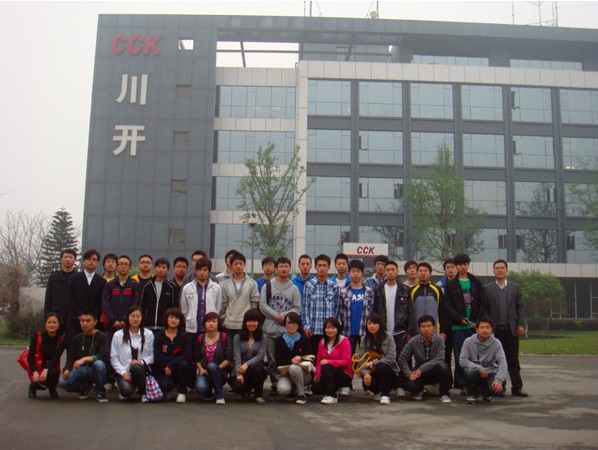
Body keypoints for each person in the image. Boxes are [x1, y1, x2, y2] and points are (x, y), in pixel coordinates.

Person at [443, 253, 488, 394]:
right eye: (459, 265)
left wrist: (478, 321)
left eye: (464, 264)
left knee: (475, 356)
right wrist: (459, 318)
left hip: (474, 326)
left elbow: (482, 303)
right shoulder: (451, 285)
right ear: (456, 266)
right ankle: (462, 383)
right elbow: (448, 305)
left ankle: (474, 383)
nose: (462, 267)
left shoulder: (476, 282)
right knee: (460, 356)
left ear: (468, 265)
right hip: (458, 326)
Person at [485, 259, 528, 397]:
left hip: (511, 329)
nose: (499, 270)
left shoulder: (516, 288)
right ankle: (500, 387)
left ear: (506, 270)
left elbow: (520, 307)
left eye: (502, 268)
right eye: (497, 268)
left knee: (513, 360)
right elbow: (485, 309)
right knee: (496, 360)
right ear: (493, 271)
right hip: (495, 330)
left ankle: (517, 387)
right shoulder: (487, 288)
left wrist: (521, 324)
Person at [259, 256, 301, 396]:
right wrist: (275, 315)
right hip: (270, 329)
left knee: (286, 358)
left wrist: (282, 316)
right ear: (276, 268)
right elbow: (262, 305)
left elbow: (297, 308)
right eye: (281, 266)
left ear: (290, 268)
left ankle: (289, 384)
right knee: (272, 359)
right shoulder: (268, 286)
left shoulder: (294, 288)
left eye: (286, 266)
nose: (283, 269)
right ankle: (275, 384)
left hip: (286, 331)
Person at [373, 260, 413, 389]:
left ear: (397, 271)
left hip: (400, 331)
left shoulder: (405, 289)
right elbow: (375, 311)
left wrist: (409, 331)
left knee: (402, 358)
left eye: (393, 270)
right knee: (383, 359)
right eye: (388, 270)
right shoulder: (378, 289)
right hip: (384, 332)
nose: (390, 272)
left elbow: (410, 312)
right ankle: (385, 386)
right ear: (384, 272)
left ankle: (402, 386)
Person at [398, 315, 452, 403]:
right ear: (419, 329)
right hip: (419, 374)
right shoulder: (413, 341)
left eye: (429, 326)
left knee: (444, 367)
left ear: (434, 328)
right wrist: (409, 374)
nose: (426, 329)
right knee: (410, 385)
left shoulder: (439, 339)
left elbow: (440, 358)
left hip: (434, 371)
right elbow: (402, 358)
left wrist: (421, 369)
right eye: (423, 326)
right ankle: (421, 390)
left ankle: (444, 394)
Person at [59, 310, 110, 402]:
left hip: (97, 369)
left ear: (95, 322)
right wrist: (67, 369)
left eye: (88, 321)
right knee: (63, 383)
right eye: (82, 321)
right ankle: (85, 387)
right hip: (82, 369)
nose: (84, 324)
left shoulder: (103, 337)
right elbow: (70, 359)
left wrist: (85, 359)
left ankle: (100, 391)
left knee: (99, 364)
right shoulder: (76, 339)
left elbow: (104, 355)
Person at [110, 306, 155, 402]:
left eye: (138, 316)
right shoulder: (118, 335)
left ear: (142, 318)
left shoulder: (149, 334)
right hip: (125, 372)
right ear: (127, 317)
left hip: (142, 372)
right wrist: (123, 373)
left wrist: (141, 362)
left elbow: (153, 356)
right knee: (126, 391)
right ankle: (123, 385)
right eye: (132, 316)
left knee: (136, 367)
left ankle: (143, 393)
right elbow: (114, 358)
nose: (135, 319)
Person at [459, 316, 507, 404]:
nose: (485, 330)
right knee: (470, 372)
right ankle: (472, 395)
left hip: (490, 372)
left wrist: (498, 380)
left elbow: (503, 363)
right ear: (476, 329)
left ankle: (486, 393)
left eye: (488, 327)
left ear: (492, 329)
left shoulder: (496, 343)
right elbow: (462, 360)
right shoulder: (468, 341)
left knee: (498, 391)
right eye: (482, 327)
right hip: (475, 371)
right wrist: (480, 368)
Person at [355, 313, 399, 405]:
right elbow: (361, 358)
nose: (372, 326)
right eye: (369, 323)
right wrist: (366, 373)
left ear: (380, 324)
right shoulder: (364, 339)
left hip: (388, 370)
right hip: (371, 371)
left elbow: (391, 358)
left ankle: (385, 394)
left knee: (382, 366)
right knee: (366, 384)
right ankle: (377, 392)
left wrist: (373, 362)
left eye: (375, 323)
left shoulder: (389, 337)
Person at [302, 254, 340, 357]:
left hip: (329, 331)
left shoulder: (334, 286)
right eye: (319, 265)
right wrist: (306, 326)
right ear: (315, 267)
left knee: (328, 357)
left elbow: (336, 309)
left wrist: (334, 328)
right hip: (313, 330)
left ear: (329, 267)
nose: (322, 268)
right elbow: (305, 307)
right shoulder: (309, 285)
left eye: (324, 265)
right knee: (312, 357)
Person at [153, 307, 193, 403]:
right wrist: (170, 364)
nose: (173, 320)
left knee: (183, 364)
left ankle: (182, 392)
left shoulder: (185, 336)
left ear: (180, 321)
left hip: (179, 368)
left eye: (177, 318)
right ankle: (167, 390)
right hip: (164, 369)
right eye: (171, 317)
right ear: (166, 318)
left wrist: (172, 364)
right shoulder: (159, 336)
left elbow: (187, 355)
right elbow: (158, 358)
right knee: (165, 385)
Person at [65, 249, 106, 343]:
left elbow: (101, 301)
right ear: (84, 261)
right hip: (75, 322)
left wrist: (92, 317)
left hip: (94, 323)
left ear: (97, 263)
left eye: (94, 259)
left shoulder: (102, 281)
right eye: (88, 259)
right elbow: (70, 299)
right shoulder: (74, 278)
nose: (91, 261)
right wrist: (80, 316)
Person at [230, 309, 268, 404]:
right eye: (249, 321)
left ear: (258, 322)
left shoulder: (263, 337)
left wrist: (247, 364)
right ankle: (246, 390)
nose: (252, 324)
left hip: (256, 369)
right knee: (238, 386)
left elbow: (260, 356)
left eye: (254, 321)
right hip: (241, 369)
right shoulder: (237, 337)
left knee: (257, 370)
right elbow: (236, 357)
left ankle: (258, 395)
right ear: (245, 322)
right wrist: (238, 373)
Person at [274, 312, 314, 405]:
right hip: (286, 374)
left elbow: (310, 358)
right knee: (282, 390)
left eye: (294, 323)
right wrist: (291, 360)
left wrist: (300, 359)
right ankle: (292, 391)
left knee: (294, 367)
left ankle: (301, 395)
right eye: (289, 323)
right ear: (285, 324)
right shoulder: (279, 340)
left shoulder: (304, 340)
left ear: (298, 324)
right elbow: (278, 361)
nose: (291, 325)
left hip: (303, 374)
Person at [338, 259, 376, 354]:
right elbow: (340, 312)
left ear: (362, 273)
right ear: (349, 273)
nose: (355, 274)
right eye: (353, 271)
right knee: (348, 357)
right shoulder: (343, 292)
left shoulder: (369, 292)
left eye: (358, 271)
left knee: (365, 357)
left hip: (365, 331)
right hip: (348, 331)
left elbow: (372, 311)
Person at [194, 312, 232, 405]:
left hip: (220, 372)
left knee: (212, 366)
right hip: (205, 372)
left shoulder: (224, 337)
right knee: (200, 387)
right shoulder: (200, 338)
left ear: (218, 323)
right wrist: (201, 369)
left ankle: (220, 396)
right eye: (208, 321)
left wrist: (216, 369)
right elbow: (197, 359)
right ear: (204, 324)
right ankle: (209, 393)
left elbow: (228, 359)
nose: (211, 324)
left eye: (214, 321)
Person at [180, 257, 222, 342]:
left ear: (209, 271)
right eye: (199, 270)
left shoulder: (216, 287)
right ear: (195, 271)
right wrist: (188, 319)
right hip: (192, 329)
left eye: (205, 270)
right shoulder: (187, 288)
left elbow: (218, 308)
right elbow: (184, 309)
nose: (202, 272)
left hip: (209, 328)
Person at [220, 252, 259, 340]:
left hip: (246, 324)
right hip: (229, 324)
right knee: (229, 348)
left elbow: (254, 303)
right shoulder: (225, 284)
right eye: (235, 264)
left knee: (244, 348)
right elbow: (224, 304)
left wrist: (250, 319)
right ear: (231, 265)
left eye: (241, 263)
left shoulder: (252, 283)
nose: (238, 266)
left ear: (244, 265)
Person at [26, 312, 66, 399]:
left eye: (54, 322)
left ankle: (52, 388)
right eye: (49, 322)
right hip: (38, 365)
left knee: (54, 373)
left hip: (52, 366)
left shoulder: (61, 339)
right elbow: (30, 357)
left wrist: (46, 370)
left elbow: (56, 357)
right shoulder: (37, 336)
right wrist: (34, 372)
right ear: (45, 324)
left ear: (59, 325)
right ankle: (33, 387)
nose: (51, 325)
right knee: (41, 383)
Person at [313, 317, 352, 405]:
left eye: (333, 328)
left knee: (326, 367)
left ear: (338, 329)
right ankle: (334, 388)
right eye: (327, 328)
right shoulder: (322, 342)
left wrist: (329, 362)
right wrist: (317, 373)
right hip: (328, 373)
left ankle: (331, 395)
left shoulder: (344, 342)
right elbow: (319, 360)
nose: (330, 330)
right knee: (316, 389)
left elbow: (347, 361)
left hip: (344, 374)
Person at [139, 258, 179, 333]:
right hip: (148, 326)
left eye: (164, 267)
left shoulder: (172, 287)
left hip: (165, 327)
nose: (161, 269)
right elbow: (142, 306)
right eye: (159, 267)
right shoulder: (147, 286)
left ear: (168, 270)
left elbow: (175, 308)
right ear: (155, 268)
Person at [44, 249, 77, 330]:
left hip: (73, 316)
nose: (68, 259)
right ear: (61, 259)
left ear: (74, 260)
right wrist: (47, 316)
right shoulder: (54, 276)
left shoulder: (79, 277)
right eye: (65, 257)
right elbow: (48, 297)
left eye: (70, 257)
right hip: (56, 315)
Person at [436, 258, 457, 380]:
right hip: (445, 325)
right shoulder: (439, 286)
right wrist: (442, 329)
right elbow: (440, 309)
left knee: (460, 354)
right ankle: (447, 381)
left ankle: (460, 382)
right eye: (448, 268)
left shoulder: (462, 283)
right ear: (444, 270)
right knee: (445, 355)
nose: (450, 270)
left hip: (459, 324)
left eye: (452, 267)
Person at [410, 262, 443, 332]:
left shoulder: (437, 289)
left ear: (430, 273)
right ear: (417, 273)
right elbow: (410, 312)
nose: (423, 273)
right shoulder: (412, 290)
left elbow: (442, 310)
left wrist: (443, 330)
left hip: (435, 331)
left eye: (425, 271)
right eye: (420, 271)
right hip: (417, 331)